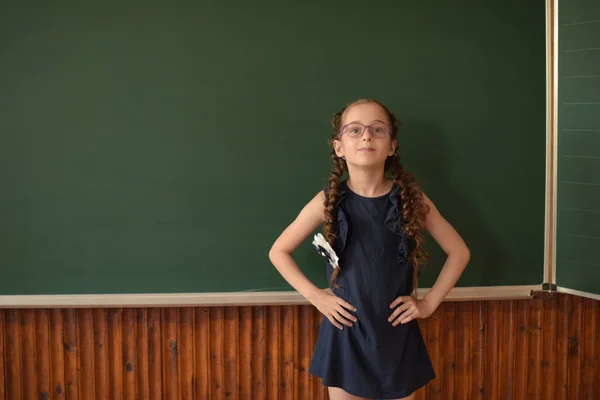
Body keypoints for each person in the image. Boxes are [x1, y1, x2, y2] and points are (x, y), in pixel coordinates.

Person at [268, 98, 470, 400]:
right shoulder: (328, 202)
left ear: (391, 145)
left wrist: (427, 305)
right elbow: (279, 251)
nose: (366, 136)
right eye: (355, 130)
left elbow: (459, 252)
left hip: (396, 335)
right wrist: (316, 298)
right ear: (339, 147)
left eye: (377, 129)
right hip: (345, 334)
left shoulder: (411, 200)